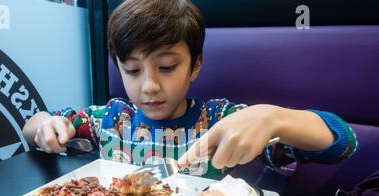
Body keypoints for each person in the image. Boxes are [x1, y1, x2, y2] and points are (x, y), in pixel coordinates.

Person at [22, 0, 357, 180]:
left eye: (167, 67)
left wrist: (272, 118)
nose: (149, 85)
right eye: (133, 70)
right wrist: (44, 126)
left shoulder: (221, 121)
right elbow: (36, 126)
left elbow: (342, 144)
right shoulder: (107, 120)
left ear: (195, 65)